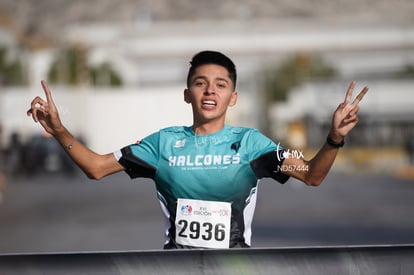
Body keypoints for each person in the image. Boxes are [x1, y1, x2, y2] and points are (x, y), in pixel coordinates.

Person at [27, 50, 368, 249]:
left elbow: (311, 175)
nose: (210, 91)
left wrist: (334, 137)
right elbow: (97, 167)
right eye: (200, 83)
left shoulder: (252, 144)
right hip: (176, 267)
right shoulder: (161, 143)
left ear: (232, 98)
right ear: (187, 93)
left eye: (221, 85)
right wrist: (58, 130)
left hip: (237, 267)